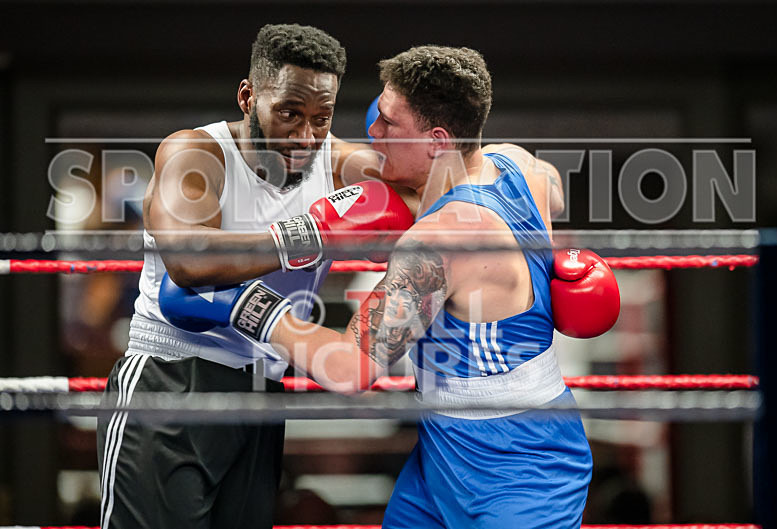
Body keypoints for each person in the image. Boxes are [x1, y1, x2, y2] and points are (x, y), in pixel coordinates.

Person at [160, 45, 620, 528]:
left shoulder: (436, 244)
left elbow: (350, 369)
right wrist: (559, 263)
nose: (372, 133)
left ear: (438, 140)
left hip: (524, 469)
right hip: (441, 456)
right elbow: (553, 187)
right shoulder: (516, 164)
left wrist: (247, 305)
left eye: (388, 123)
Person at [97, 24, 415, 529]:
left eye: (321, 118)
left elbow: (442, 197)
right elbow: (189, 262)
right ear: (248, 97)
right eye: (289, 113)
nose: (305, 136)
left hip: (262, 387)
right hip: (172, 377)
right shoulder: (196, 154)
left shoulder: (341, 165)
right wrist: (312, 232)